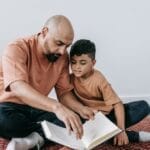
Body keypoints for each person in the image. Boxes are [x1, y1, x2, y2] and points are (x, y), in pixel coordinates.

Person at [0, 15, 95, 150]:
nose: (62, 51)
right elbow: (18, 88)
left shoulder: (62, 57)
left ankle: (33, 138)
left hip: (38, 108)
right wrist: (57, 108)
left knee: (75, 120)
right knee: (7, 123)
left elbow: (63, 93)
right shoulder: (17, 48)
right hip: (7, 106)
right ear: (44, 32)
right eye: (59, 43)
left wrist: (80, 109)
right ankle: (42, 133)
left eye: (67, 46)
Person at [70, 39, 150, 146]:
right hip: (87, 119)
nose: (77, 67)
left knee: (143, 106)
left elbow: (117, 104)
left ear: (93, 63)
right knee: (60, 121)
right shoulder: (69, 79)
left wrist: (121, 130)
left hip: (108, 117)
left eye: (82, 63)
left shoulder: (98, 79)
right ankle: (131, 136)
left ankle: (115, 132)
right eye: (73, 62)